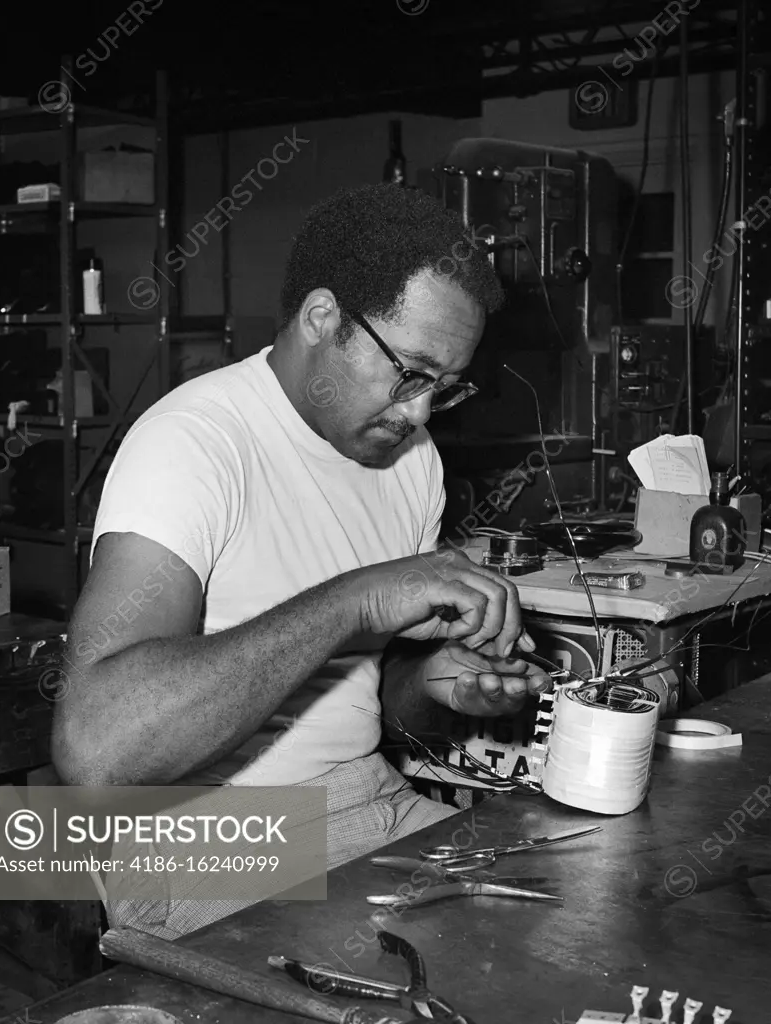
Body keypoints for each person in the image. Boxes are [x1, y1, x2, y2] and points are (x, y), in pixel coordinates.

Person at [52, 183, 549, 937]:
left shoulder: (410, 462)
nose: (417, 413)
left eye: (443, 389)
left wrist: (439, 686)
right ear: (321, 319)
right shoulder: (194, 444)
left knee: (559, 922)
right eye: (408, 373)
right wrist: (354, 599)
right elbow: (96, 754)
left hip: (365, 798)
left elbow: (373, 705)